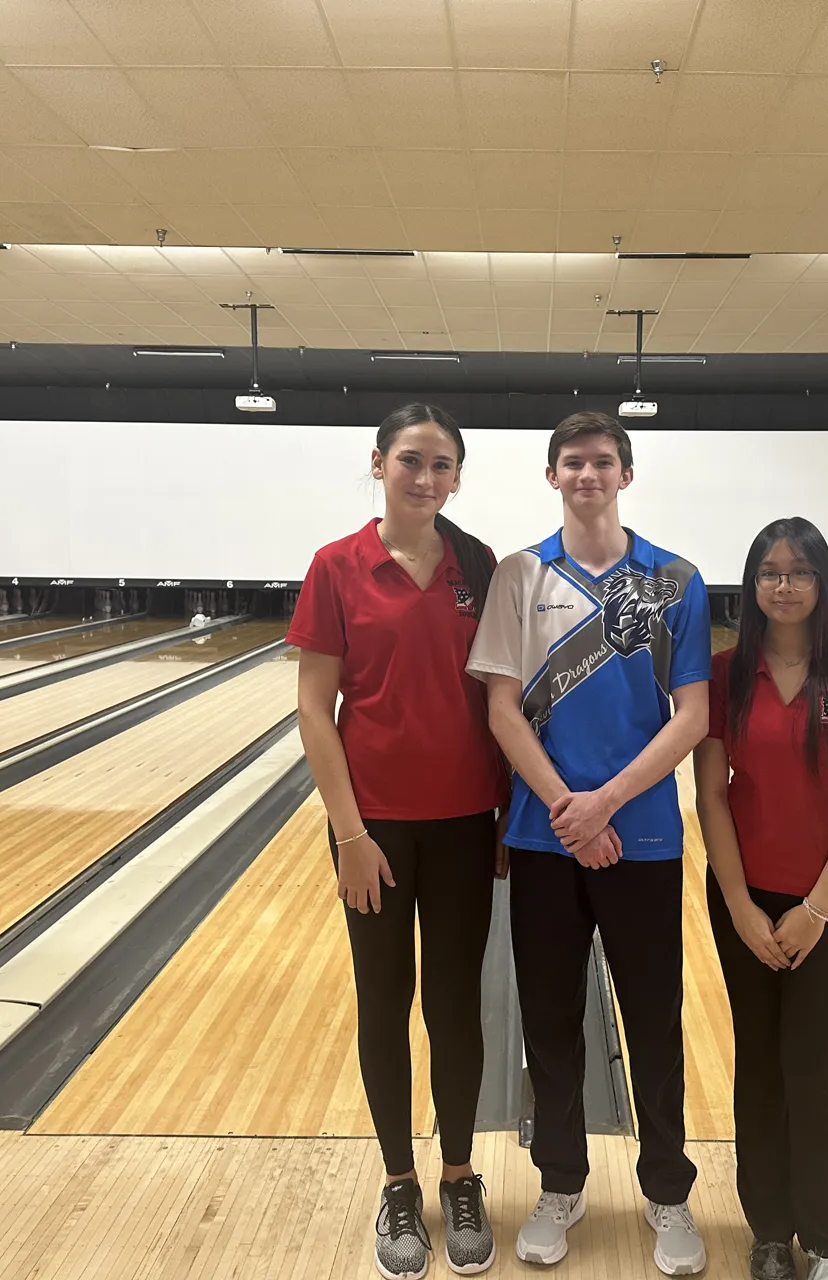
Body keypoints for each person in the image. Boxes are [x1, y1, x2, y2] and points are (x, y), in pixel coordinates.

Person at [465, 412, 712, 1275]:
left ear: (626, 475)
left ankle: (668, 1195)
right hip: (543, 840)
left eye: (602, 462)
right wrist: (569, 810)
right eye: (572, 463)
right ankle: (560, 1184)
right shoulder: (518, 576)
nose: (587, 475)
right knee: (551, 1024)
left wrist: (602, 803)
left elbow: (694, 717)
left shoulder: (677, 580)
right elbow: (501, 708)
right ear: (552, 476)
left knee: (655, 1025)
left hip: (641, 837)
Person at [290, 403, 510, 1280]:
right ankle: (397, 1180)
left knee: (455, 1007)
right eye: (411, 461)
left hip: (463, 826)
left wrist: (503, 818)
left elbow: (500, 698)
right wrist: (348, 833)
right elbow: (314, 706)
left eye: (442, 465)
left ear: (458, 476)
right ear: (378, 464)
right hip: (372, 828)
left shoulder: (478, 566)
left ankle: (459, 1176)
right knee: (384, 1001)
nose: (426, 478)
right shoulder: (336, 566)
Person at [692, 517, 828, 1280]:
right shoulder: (722, 675)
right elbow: (712, 795)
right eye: (770, 572)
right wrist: (742, 906)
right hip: (743, 895)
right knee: (759, 1066)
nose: (784, 586)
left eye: (799, 572)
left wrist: (816, 909)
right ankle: (771, 1231)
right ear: (752, 585)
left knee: (811, 1069)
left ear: (823, 584)